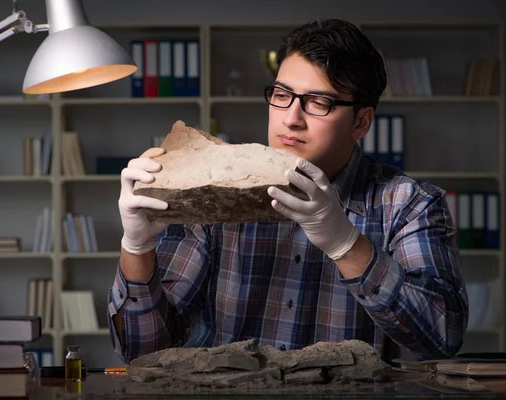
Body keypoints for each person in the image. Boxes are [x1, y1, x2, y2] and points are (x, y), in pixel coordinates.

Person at [107, 18, 468, 364]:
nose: (291, 118)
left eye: (318, 102)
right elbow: (142, 351)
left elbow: (442, 338)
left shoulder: (410, 204)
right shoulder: (210, 189)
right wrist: (137, 247)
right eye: (282, 95)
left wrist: (346, 244)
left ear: (361, 122)